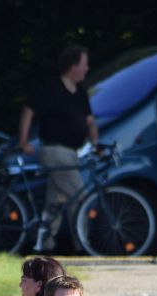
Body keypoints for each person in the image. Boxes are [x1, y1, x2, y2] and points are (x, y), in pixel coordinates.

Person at [18, 45, 98, 252]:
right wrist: (24, 142)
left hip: (72, 153)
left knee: (55, 200)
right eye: (84, 64)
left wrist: (95, 142)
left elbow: (89, 121)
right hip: (55, 151)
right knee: (78, 196)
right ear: (73, 67)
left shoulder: (80, 93)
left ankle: (44, 243)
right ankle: (83, 244)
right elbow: (28, 110)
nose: (87, 68)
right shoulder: (52, 88)